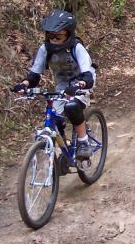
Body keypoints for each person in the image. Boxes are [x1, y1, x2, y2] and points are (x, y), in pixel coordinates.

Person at [11, 9, 96, 160]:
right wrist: (24, 84)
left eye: (58, 36)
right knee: (55, 117)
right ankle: (64, 149)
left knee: (72, 106)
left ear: (69, 34)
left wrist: (80, 85)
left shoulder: (77, 48)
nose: (53, 40)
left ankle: (83, 142)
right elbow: (35, 75)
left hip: (81, 81)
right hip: (62, 85)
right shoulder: (45, 49)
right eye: (50, 36)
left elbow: (88, 74)